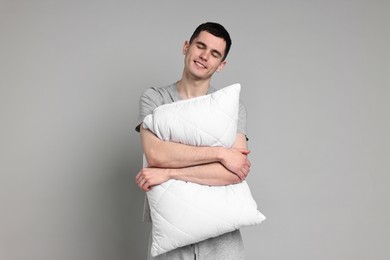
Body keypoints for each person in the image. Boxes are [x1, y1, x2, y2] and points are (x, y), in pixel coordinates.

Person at [135, 22, 251, 260]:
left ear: (221, 65)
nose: (204, 56)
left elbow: (234, 172)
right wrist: (220, 154)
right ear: (186, 47)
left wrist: (168, 173)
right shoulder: (155, 98)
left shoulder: (231, 107)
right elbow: (156, 155)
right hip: (170, 236)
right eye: (200, 46)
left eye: (215, 54)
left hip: (222, 241)